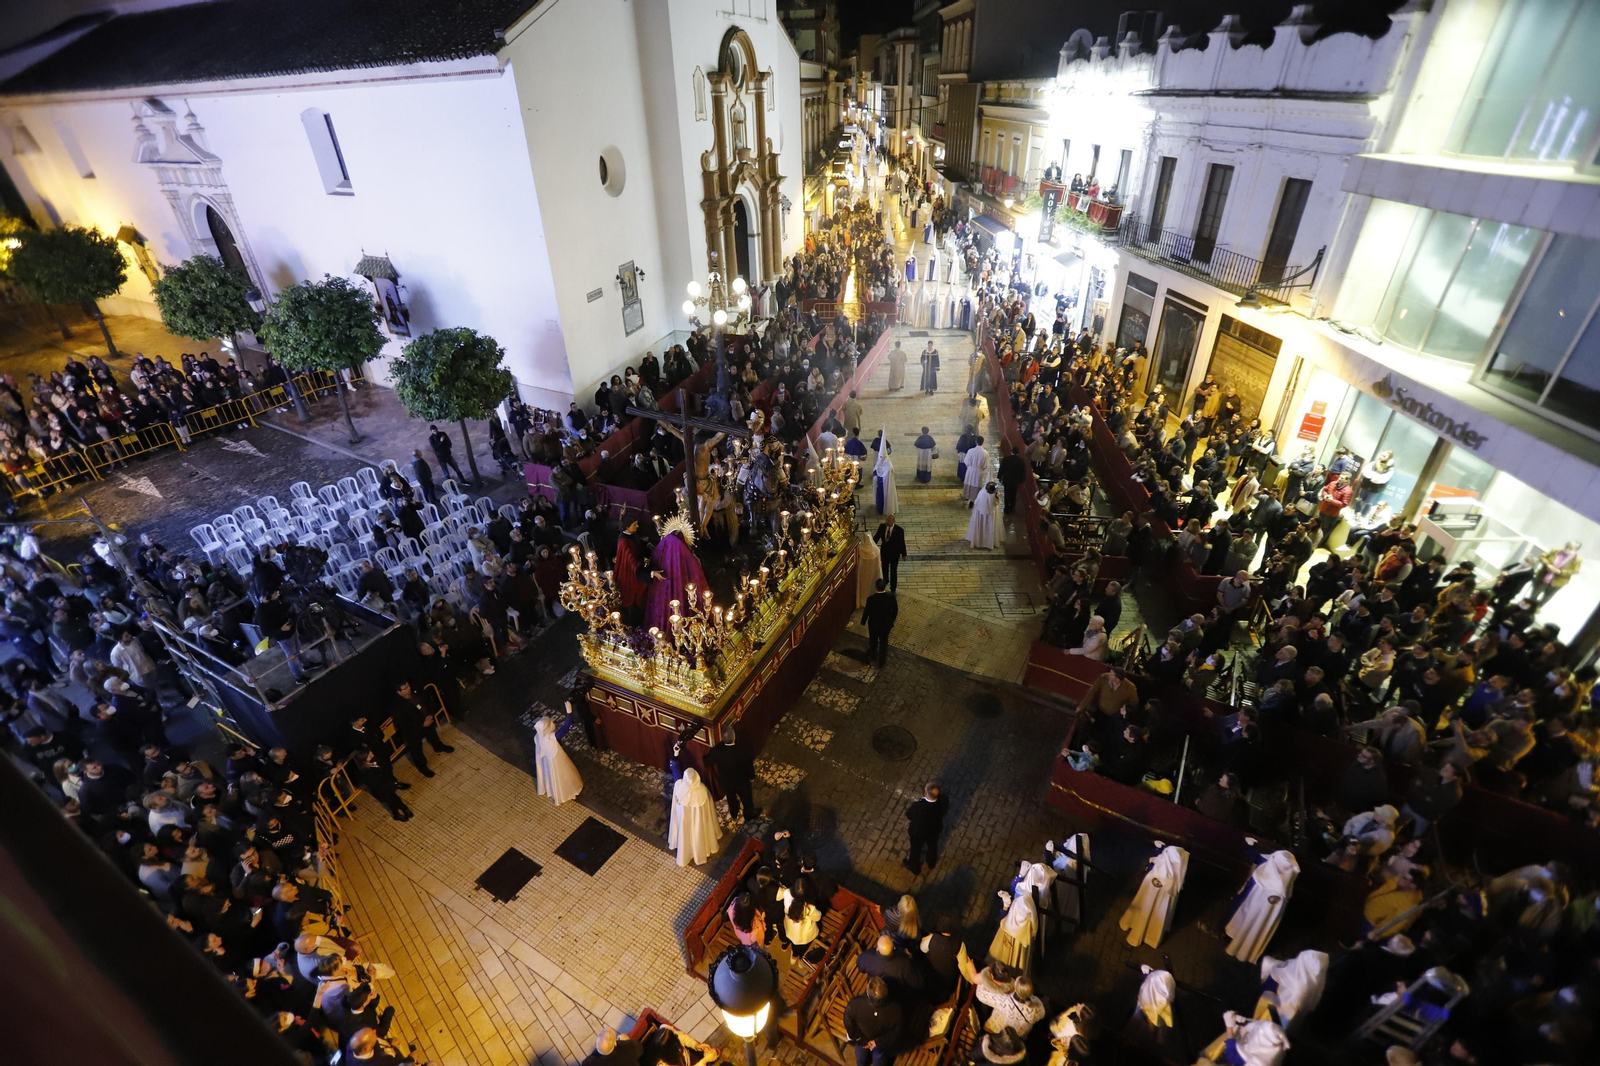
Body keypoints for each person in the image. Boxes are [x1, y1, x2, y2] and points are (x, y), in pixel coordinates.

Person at [1224, 842, 1299, 963]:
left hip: (1249, 907)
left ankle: (1235, 943)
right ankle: (1243, 947)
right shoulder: (1286, 881)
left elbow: (1254, 855)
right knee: (1256, 927)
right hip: (1255, 911)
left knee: (1247, 923)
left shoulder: (1270, 873)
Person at [1119, 843, 1188, 948]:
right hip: (1165, 892)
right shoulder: (1180, 861)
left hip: (1155, 888)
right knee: (1158, 913)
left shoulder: (1163, 869)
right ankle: (1151, 937)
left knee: (1146, 910)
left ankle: (1135, 936)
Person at [844, 976, 903, 1066]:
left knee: (861, 1056)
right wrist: (877, 1042)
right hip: (881, 1041)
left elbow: (848, 1022)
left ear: (868, 993)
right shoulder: (896, 1010)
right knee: (879, 1058)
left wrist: (860, 1039)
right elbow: (896, 1031)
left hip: (862, 1037)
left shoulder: (855, 1004)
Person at [704, 727, 757, 824]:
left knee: (731, 797)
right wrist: (752, 776)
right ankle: (749, 815)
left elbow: (707, 762)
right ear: (734, 737)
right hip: (742, 781)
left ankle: (734, 813)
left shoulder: (717, 750)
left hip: (727, 782)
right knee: (747, 799)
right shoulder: (742, 750)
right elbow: (749, 765)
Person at [667, 768, 720, 866]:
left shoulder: (679, 786)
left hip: (683, 819)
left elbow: (675, 803)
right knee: (698, 835)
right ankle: (701, 853)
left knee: (684, 835)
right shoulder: (702, 790)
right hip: (698, 820)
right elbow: (709, 806)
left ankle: (685, 854)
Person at [533, 715, 583, 805]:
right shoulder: (552, 737)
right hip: (557, 760)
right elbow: (566, 727)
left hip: (546, 761)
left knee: (550, 775)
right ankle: (565, 793)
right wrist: (569, 713)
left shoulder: (538, 737)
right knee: (563, 775)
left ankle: (551, 789)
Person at [903, 782, 947, 874]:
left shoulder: (918, 806)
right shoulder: (943, 800)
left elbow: (909, 815)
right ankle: (931, 863)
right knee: (932, 845)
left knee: (916, 848)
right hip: (934, 829)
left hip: (919, 832)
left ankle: (914, 866)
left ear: (926, 793)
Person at [861, 578, 898, 668]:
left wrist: (863, 621)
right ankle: (882, 661)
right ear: (884, 587)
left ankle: (873, 656)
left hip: (874, 624)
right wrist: (891, 619)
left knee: (873, 640)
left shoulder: (871, 599)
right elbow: (895, 610)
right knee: (884, 641)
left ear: (876, 587)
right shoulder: (891, 597)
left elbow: (867, 611)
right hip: (886, 625)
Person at [873, 514, 907, 591]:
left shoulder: (899, 530)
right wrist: (871, 544)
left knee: (893, 570)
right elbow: (877, 537)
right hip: (884, 553)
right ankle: (885, 581)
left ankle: (893, 587)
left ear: (893, 521)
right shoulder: (882, 527)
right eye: (886, 520)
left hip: (894, 554)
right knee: (884, 569)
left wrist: (904, 554)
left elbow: (902, 543)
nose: (887, 522)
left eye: (889, 521)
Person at [966, 482, 999, 549]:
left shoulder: (981, 493)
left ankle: (979, 541)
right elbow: (996, 505)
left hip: (980, 515)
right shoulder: (993, 496)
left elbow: (976, 502)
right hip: (990, 516)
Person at [873, 432, 899, 516]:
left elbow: (890, 475)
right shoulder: (879, 462)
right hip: (879, 485)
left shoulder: (888, 465)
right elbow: (875, 471)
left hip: (886, 486)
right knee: (880, 498)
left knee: (886, 498)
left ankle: (886, 509)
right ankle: (879, 509)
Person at [997, 445, 1025, 514]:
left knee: (1007, 494)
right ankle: (1012, 507)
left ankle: (1006, 508)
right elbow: (1023, 472)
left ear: (1011, 451)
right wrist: (1021, 480)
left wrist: (999, 477)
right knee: (1013, 494)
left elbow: (1002, 468)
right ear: (1018, 452)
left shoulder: (1006, 459)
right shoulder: (1021, 460)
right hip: (1015, 481)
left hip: (1007, 479)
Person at [962, 436, 989, 505]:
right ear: (982, 442)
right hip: (978, 471)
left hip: (970, 470)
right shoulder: (985, 453)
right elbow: (985, 465)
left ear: (976, 442)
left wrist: (970, 467)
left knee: (969, 483)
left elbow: (966, 461)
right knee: (976, 485)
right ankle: (973, 500)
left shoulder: (971, 451)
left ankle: (967, 496)